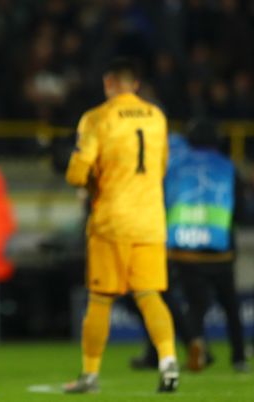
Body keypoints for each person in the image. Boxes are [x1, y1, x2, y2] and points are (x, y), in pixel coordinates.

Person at [62, 58, 179, 393]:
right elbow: (161, 166)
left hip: (112, 220)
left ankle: (90, 374)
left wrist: (84, 179)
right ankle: (169, 362)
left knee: (100, 298)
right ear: (136, 85)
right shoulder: (157, 116)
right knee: (150, 295)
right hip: (151, 220)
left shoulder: (98, 117)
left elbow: (77, 173)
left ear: (109, 83)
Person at [164, 119, 250, 373]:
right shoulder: (227, 166)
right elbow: (241, 211)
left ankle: (197, 347)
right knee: (231, 306)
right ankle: (238, 357)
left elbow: (164, 200)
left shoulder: (175, 165)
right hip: (219, 249)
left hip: (184, 249)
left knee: (195, 305)